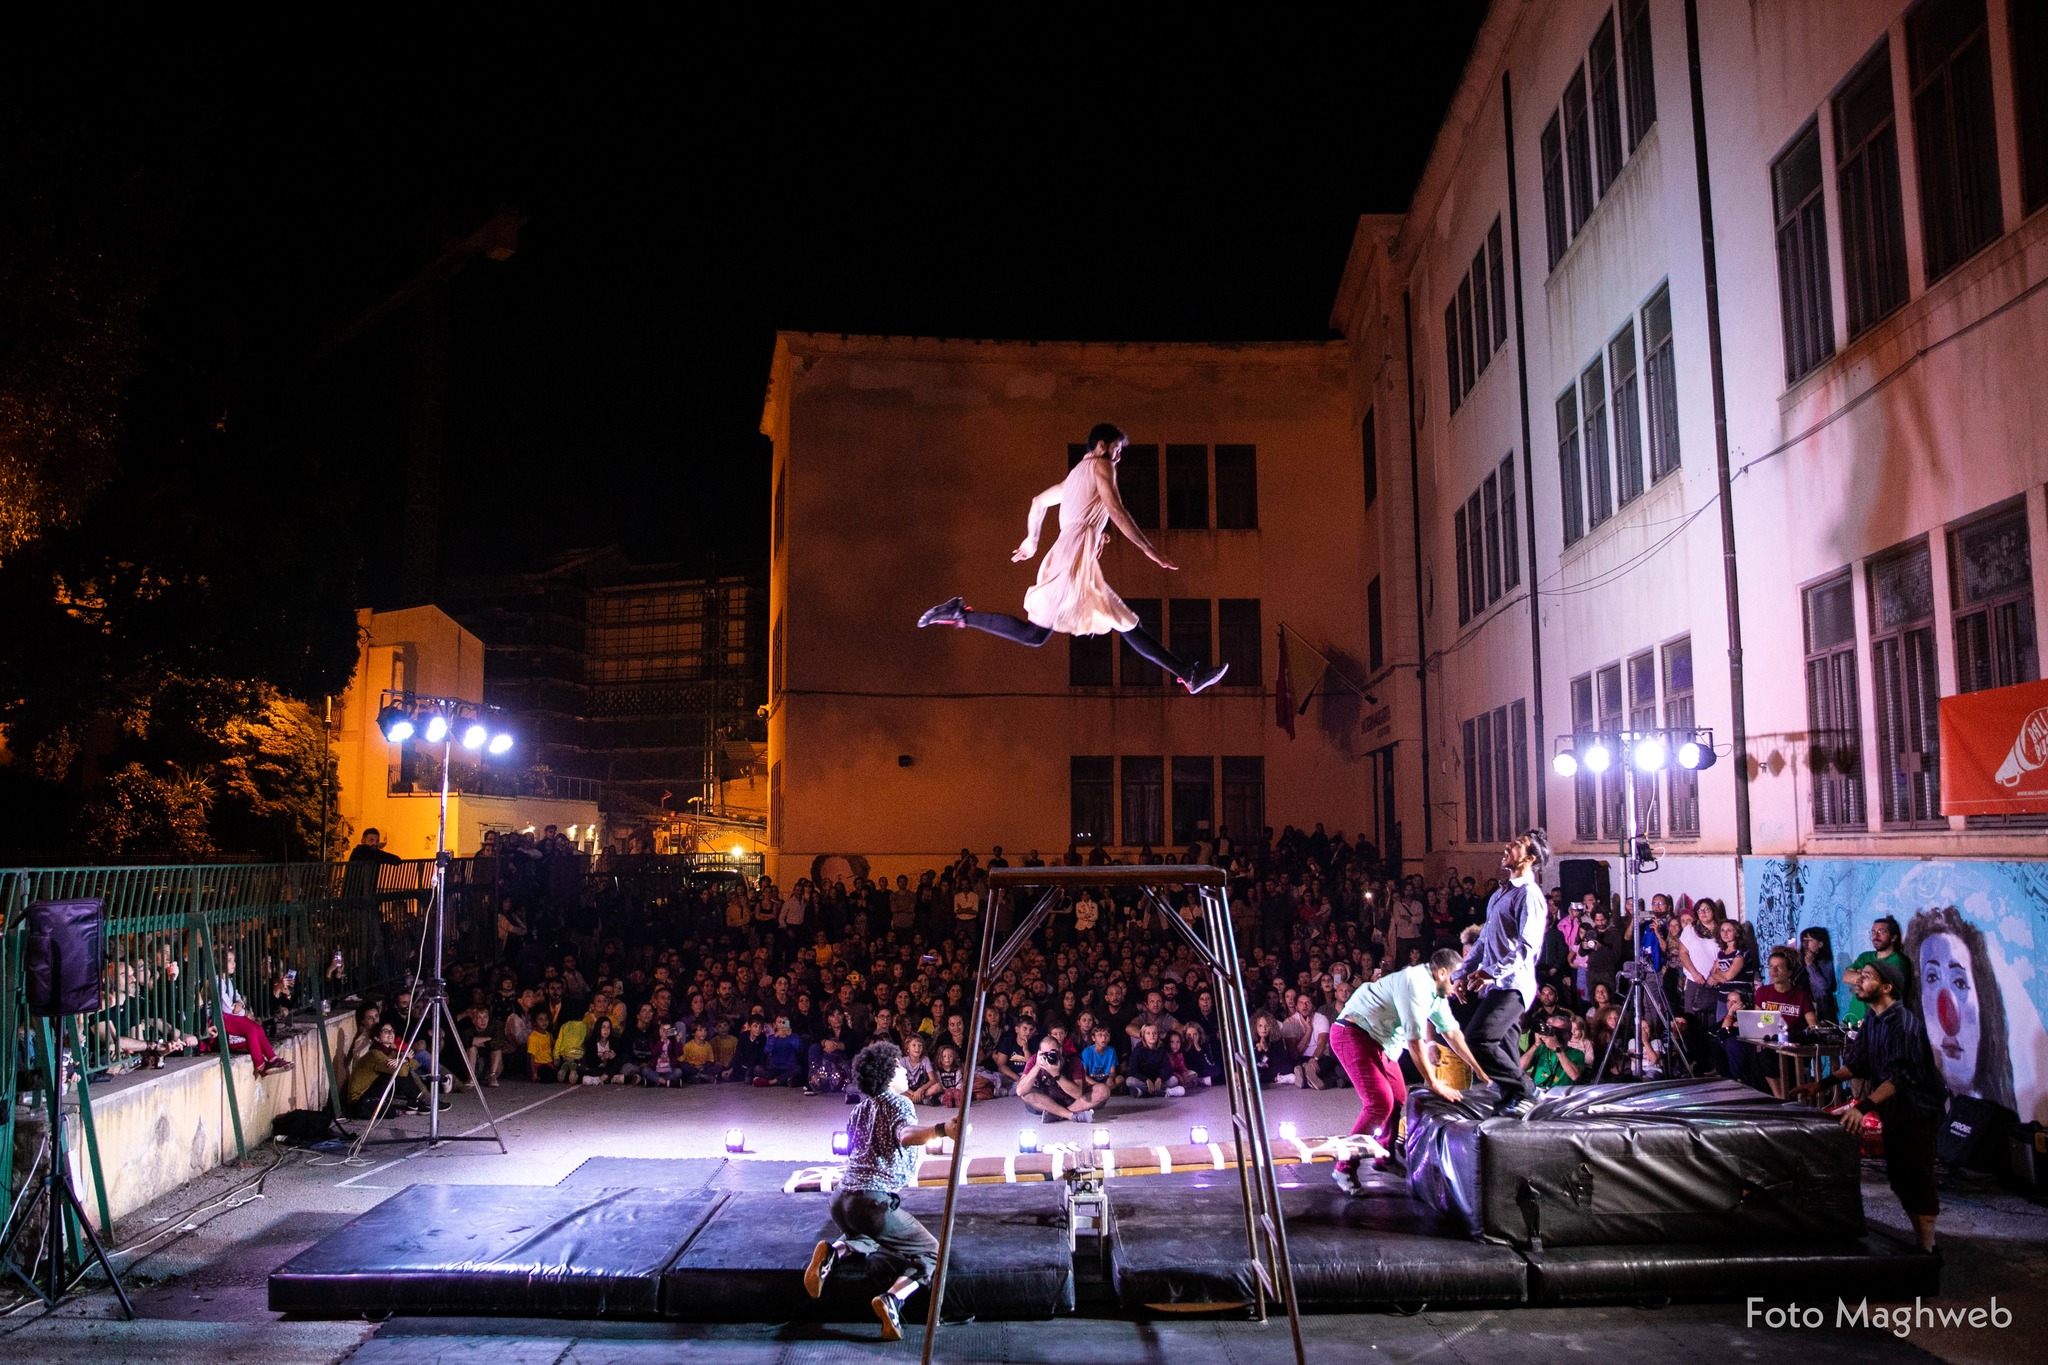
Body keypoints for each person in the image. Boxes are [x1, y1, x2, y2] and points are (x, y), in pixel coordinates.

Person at [916, 423, 1228, 695]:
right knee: (1037, 634)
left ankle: (1188, 673)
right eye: (1116, 450)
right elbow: (1116, 508)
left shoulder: (1075, 476)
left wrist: (1033, 540)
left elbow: (1039, 502)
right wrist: (1148, 549)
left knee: (1121, 623)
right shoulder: (1101, 465)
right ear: (1102, 446)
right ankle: (960, 614)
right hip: (1073, 556)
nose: (1118, 458)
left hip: (1072, 553)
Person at [802, 1041, 963, 1341]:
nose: (905, 1070)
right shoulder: (900, 1103)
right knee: (933, 1253)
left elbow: (854, 1148)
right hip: (871, 1202)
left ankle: (832, 1253)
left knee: (867, 1238)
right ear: (889, 1076)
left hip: (841, 1200)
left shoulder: (860, 1109)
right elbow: (905, 1135)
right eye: (900, 1067)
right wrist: (942, 1130)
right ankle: (892, 1300)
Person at [1798, 958, 1944, 1253]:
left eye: (1866, 977)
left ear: (1887, 987)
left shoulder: (1903, 1023)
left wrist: (1861, 1108)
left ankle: (1928, 1251)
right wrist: (1822, 1085)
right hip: (1894, 1110)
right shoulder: (1874, 1020)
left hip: (1917, 1111)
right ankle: (1922, 1244)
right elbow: (1857, 1064)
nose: (1858, 982)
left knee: (1917, 1176)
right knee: (1901, 1177)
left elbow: (1897, 1078)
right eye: (1859, 977)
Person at [1328, 948, 1491, 1194]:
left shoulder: (1437, 992)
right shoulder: (1415, 984)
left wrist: (1478, 1069)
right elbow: (1415, 1043)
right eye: (1458, 978)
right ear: (1444, 972)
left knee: (1397, 1099)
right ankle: (1343, 1167)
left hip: (1381, 1041)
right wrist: (1434, 1083)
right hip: (1353, 1033)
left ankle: (1384, 1155)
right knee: (1379, 1103)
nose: (1461, 985)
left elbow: (1452, 1032)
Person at [1453, 831, 1551, 1117]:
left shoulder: (1529, 895)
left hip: (1513, 985)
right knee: (1503, 1048)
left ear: (1529, 858)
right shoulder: (1499, 894)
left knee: (1478, 1039)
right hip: (1496, 985)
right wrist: (1462, 973)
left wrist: (1492, 973)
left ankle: (1527, 1090)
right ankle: (1513, 1097)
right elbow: (1483, 942)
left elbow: (1528, 948)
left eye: (1517, 845)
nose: (1508, 846)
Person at [1842, 915, 1910, 1026]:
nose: (1875, 936)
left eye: (1881, 931)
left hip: (1879, 1025)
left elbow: (1878, 984)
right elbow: (1845, 976)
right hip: (1852, 1022)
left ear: (1893, 937)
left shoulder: (1898, 961)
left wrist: (1859, 973)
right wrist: (1868, 977)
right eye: (1873, 932)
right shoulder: (1865, 957)